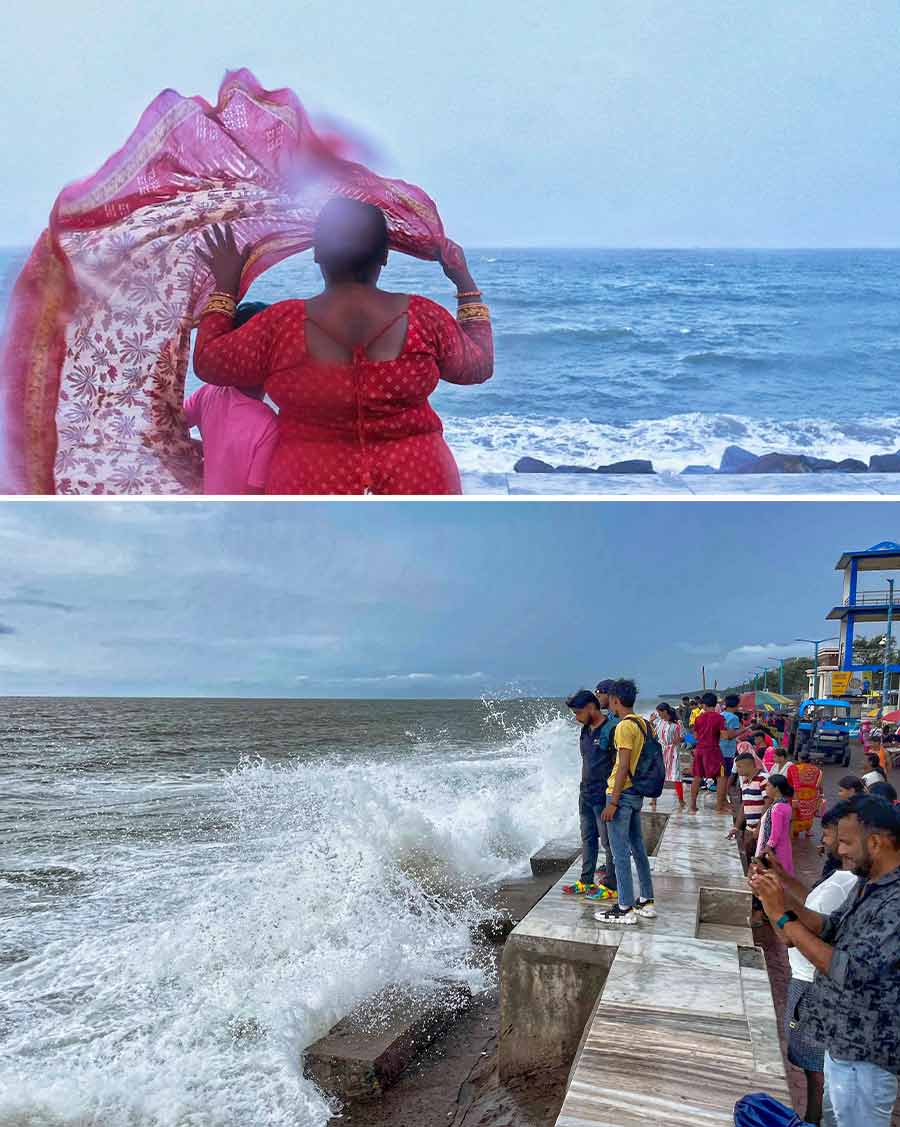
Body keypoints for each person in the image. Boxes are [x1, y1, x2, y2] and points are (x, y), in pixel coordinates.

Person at [194, 205, 493, 495]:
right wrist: (464, 281)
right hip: (420, 478)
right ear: (385, 256)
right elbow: (477, 367)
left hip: (308, 485)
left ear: (317, 253)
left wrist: (226, 288)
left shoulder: (281, 324)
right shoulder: (424, 316)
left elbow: (209, 362)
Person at [751, 796, 900, 1127]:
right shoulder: (869, 883)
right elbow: (831, 927)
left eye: (846, 842)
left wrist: (781, 919)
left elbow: (848, 969)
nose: (840, 851)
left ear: (875, 842)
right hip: (839, 1042)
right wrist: (776, 897)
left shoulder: (895, 900)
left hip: (866, 1052)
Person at [755, 806, 858, 1126]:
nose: (825, 842)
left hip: (810, 984)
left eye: (830, 835)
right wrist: (782, 881)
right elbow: (813, 904)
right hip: (813, 984)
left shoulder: (844, 884)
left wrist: (772, 907)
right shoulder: (843, 881)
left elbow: (789, 937)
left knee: (816, 1071)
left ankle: (814, 1121)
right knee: (817, 1069)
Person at [183, 302, 280, 495]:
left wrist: (202, 450)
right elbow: (255, 494)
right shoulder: (269, 426)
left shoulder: (209, 392)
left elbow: (170, 422)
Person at [594, 679, 656, 926]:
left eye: (609, 697)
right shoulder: (644, 724)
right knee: (638, 848)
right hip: (637, 793)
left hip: (621, 794)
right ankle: (646, 900)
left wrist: (613, 802)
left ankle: (624, 907)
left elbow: (622, 767)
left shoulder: (623, 727)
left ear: (616, 700)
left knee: (620, 853)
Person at [563, 689, 617, 901]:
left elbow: (619, 766)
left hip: (603, 795)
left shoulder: (611, 729)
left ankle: (611, 884)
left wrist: (613, 800)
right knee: (587, 838)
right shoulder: (585, 730)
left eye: (578, 712)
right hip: (585, 792)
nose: (576, 718)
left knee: (609, 842)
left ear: (590, 707)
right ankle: (586, 881)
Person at [689, 692, 739, 814]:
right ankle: (719, 806)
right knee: (722, 777)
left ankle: (693, 806)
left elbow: (695, 736)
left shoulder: (699, 718)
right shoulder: (719, 718)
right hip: (713, 750)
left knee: (697, 777)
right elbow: (725, 736)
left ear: (704, 705)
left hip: (700, 749)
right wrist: (733, 732)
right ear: (715, 704)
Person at [728, 749, 770, 867]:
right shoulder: (746, 782)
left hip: (761, 828)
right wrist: (736, 827)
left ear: (749, 765)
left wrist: (759, 827)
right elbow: (744, 805)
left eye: (740, 767)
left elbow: (768, 803)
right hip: (749, 828)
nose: (738, 770)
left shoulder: (763, 779)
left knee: (762, 859)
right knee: (749, 856)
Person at [755, 774, 795, 875]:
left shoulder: (777, 808)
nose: (766, 788)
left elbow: (775, 832)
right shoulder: (785, 805)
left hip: (777, 850)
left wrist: (767, 848)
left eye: (768, 785)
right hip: (784, 846)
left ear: (776, 788)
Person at [651, 702, 684, 809]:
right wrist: (651, 721)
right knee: (657, 775)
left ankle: (681, 799)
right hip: (661, 751)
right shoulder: (660, 722)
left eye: (659, 712)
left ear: (665, 711)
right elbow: (653, 735)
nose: (658, 715)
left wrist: (680, 739)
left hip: (673, 751)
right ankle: (653, 800)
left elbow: (686, 737)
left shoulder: (677, 723)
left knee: (676, 775)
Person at [787, 749, 825, 839]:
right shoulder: (817, 770)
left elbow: (789, 782)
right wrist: (822, 794)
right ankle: (808, 830)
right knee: (809, 813)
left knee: (797, 812)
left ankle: (795, 830)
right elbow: (819, 785)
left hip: (797, 795)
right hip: (811, 795)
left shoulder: (794, 768)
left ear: (800, 759)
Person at [720, 693, 741, 777]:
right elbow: (730, 736)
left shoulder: (720, 715)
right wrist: (744, 730)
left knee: (720, 774)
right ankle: (724, 790)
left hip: (719, 747)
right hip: (727, 750)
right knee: (726, 775)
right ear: (736, 705)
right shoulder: (734, 718)